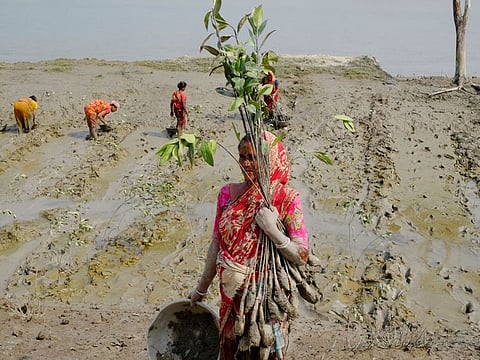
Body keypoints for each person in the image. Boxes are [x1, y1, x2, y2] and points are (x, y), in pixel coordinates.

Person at [189, 131, 309, 359]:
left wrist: (273, 231)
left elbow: (301, 254)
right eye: (241, 156)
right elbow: (216, 244)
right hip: (230, 296)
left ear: (269, 159)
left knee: (265, 350)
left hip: (266, 299)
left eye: (252, 157)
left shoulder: (285, 198)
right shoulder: (227, 194)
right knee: (230, 349)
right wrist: (201, 289)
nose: (244, 163)